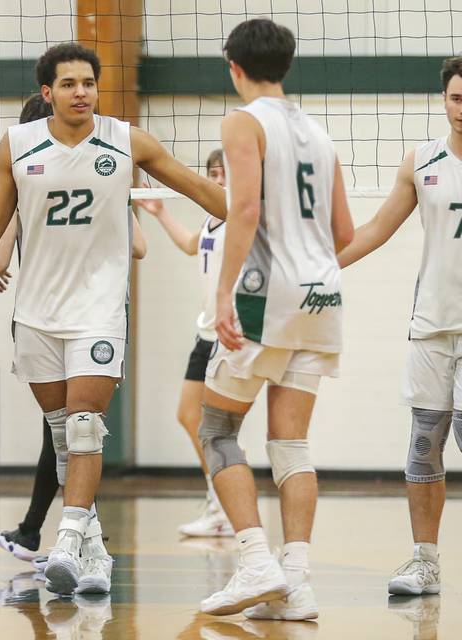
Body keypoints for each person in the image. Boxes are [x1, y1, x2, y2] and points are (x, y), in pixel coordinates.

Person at [0, 42, 226, 596]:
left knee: (84, 427)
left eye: (89, 83)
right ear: (47, 92)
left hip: (98, 310)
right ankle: (95, 551)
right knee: (61, 438)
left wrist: (254, 212)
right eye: (70, 84)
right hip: (36, 312)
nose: (82, 92)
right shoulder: (18, 144)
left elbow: (198, 188)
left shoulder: (127, 141)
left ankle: (68, 543)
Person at [197, 19, 353, 619]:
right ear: (287, 64)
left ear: (233, 67)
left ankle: (255, 561)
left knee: (215, 430)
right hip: (324, 294)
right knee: (290, 442)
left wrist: (224, 295)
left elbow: (244, 208)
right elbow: (345, 233)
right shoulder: (320, 132)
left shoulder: (242, 121)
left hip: (268, 292)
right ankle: (298, 584)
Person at [0, 93, 148, 567]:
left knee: (68, 435)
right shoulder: (99, 175)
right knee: (69, 435)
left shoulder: (29, 183)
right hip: (63, 316)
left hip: (64, 316)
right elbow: (139, 247)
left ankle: (64, 538)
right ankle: (82, 543)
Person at [337, 56, 462, 597]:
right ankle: (424, 562)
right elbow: (377, 229)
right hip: (432, 326)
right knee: (422, 446)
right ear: (444, 99)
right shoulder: (422, 160)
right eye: (457, 98)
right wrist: (318, 265)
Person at [136, 149, 233, 537]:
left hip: (228, 336)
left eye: (227, 172)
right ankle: (219, 501)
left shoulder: (245, 219)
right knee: (188, 416)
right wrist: (160, 212)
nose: (220, 179)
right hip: (205, 334)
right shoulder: (212, 221)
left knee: (218, 427)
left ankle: (226, 507)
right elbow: (192, 244)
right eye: (213, 172)